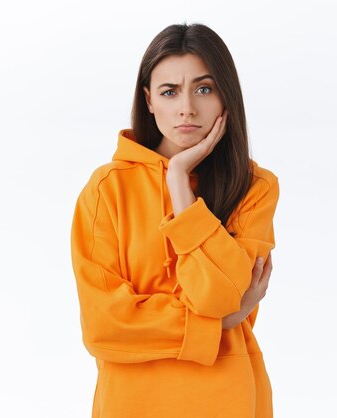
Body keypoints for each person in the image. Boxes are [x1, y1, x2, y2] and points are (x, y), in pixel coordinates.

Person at [70, 22, 279, 418]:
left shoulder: (255, 188)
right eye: (170, 92)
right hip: (131, 404)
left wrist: (179, 182)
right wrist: (214, 326)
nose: (187, 107)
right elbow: (103, 326)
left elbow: (222, 298)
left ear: (225, 96)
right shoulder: (106, 189)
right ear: (149, 101)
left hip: (229, 401)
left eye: (204, 88)